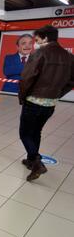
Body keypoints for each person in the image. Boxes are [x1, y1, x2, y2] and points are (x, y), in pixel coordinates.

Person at [19, 25, 74, 181]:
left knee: (24, 133)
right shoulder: (69, 57)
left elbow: (26, 79)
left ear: (44, 38)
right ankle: (31, 160)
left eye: (36, 40)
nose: (35, 43)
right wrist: (57, 93)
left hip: (33, 101)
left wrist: (23, 96)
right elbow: (72, 80)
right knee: (36, 132)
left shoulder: (39, 53)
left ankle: (37, 162)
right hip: (51, 104)